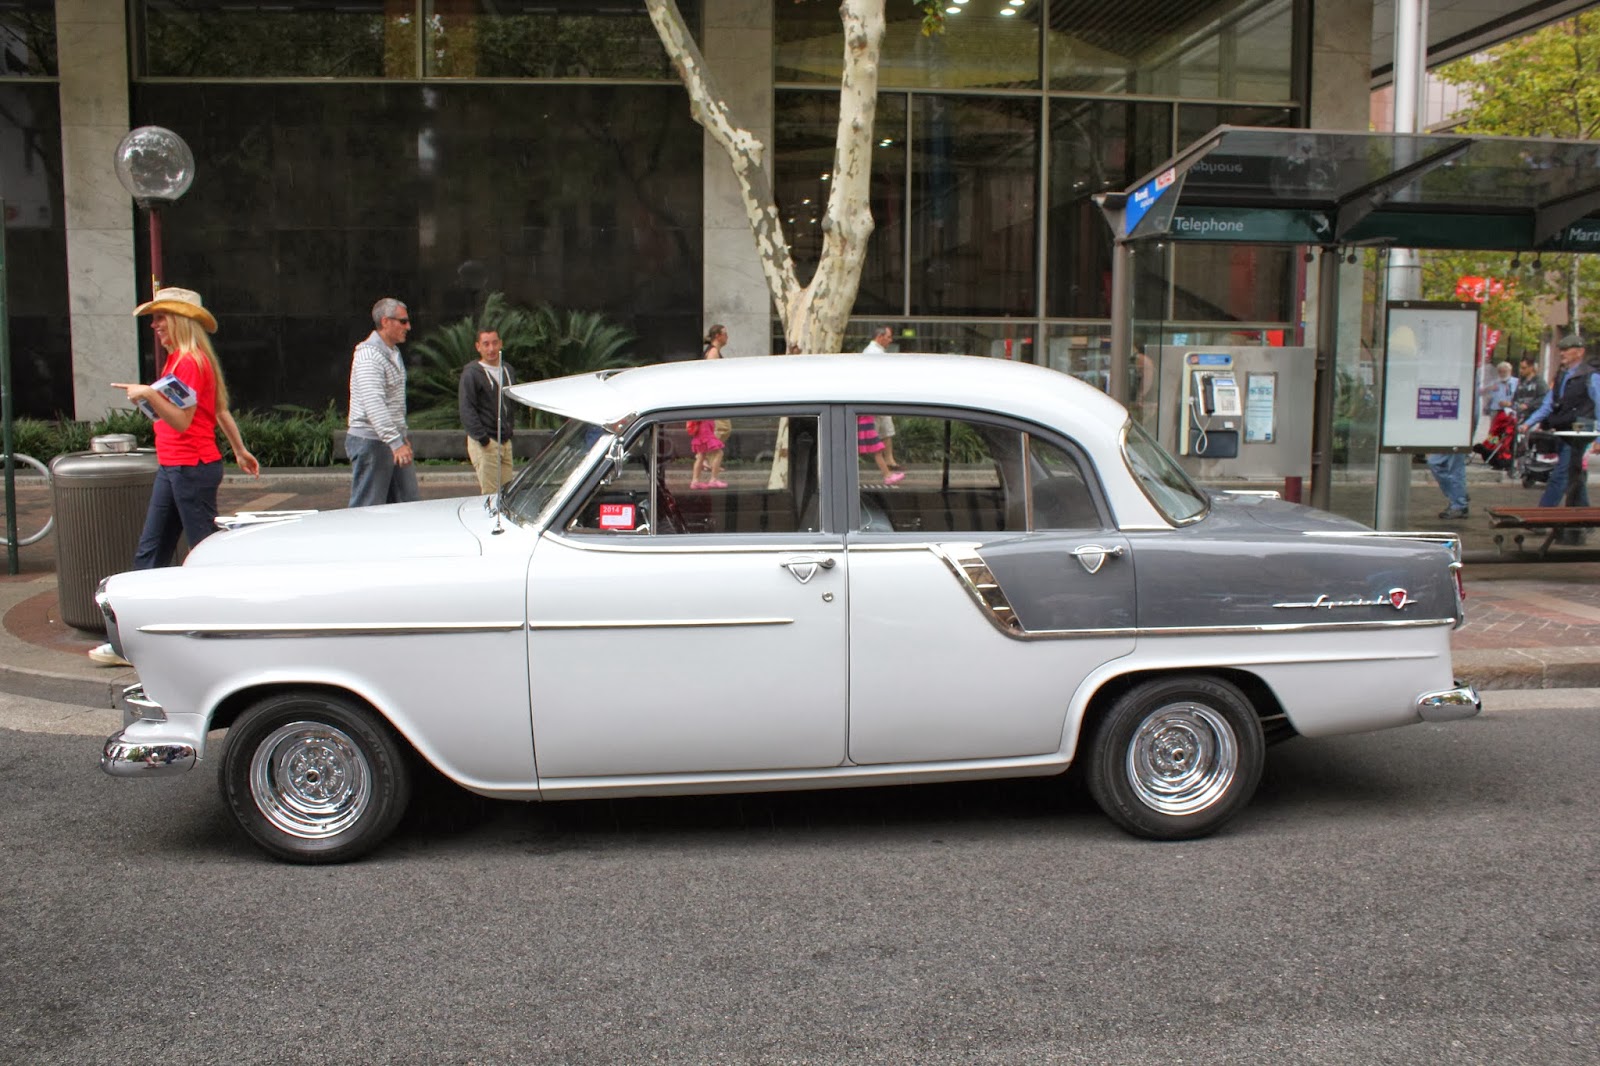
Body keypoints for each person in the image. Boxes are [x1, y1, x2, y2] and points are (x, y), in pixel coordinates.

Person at [92, 286, 259, 665]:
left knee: (202, 553)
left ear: (180, 320)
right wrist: (239, 449)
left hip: (189, 468)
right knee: (152, 553)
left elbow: (182, 421)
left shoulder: (188, 362)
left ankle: (226, 633)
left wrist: (148, 395)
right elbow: (218, 411)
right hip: (178, 467)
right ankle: (131, 639)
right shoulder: (184, 361)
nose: (154, 326)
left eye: (160, 318)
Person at [346, 297, 419, 507]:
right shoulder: (369, 355)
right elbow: (373, 403)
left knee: (407, 503)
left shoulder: (391, 352)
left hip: (389, 440)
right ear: (386, 321)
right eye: (403, 321)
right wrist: (396, 442)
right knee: (367, 508)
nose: (408, 326)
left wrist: (399, 437)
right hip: (372, 442)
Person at [1526, 334, 1600, 510]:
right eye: (1561, 350)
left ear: (1580, 352)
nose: (1562, 353)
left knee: (1562, 473)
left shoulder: (1592, 376)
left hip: (1581, 431)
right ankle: (1584, 517)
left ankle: (1542, 516)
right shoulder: (1562, 375)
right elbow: (1549, 403)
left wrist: (1599, 439)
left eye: (1566, 349)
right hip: (1563, 430)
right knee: (1575, 474)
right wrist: (1528, 423)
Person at [458, 327, 517, 494]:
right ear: (478, 347)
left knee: (507, 493)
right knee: (490, 495)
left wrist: (509, 430)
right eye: (486, 344)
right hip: (486, 441)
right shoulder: (472, 373)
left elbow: (511, 403)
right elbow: (467, 408)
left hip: (505, 440)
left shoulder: (507, 370)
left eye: (494, 343)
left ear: (500, 344)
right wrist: (483, 439)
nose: (491, 349)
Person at [861, 327, 900, 469]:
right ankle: (883, 464)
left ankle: (889, 460)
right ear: (880, 337)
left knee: (886, 430)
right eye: (888, 337)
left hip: (880, 396)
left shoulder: (876, 351)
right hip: (875, 397)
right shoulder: (872, 352)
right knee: (876, 432)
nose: (890, 340)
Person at [858, 415, 904, 486]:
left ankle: (888, 474)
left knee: (878, 452)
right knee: (878, 452)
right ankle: (887, 475)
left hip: (867, 428)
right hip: (868, 429)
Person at [687, 418, 727, 489]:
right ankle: (713, 480)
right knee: (719, 453)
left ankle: (695, 481)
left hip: (701, 433)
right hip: (705, 432)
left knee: (701, 456)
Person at [1513, 356, 1548, 421]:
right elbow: (1515, 398)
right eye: (1520, 368)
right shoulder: (1521, 382)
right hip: (1520, 417)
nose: (1521, 370)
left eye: (1524, 368)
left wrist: (1528, 405)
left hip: (1533, 417)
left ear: (1531, 367)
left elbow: (1544, 397)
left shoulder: (1539, 382)